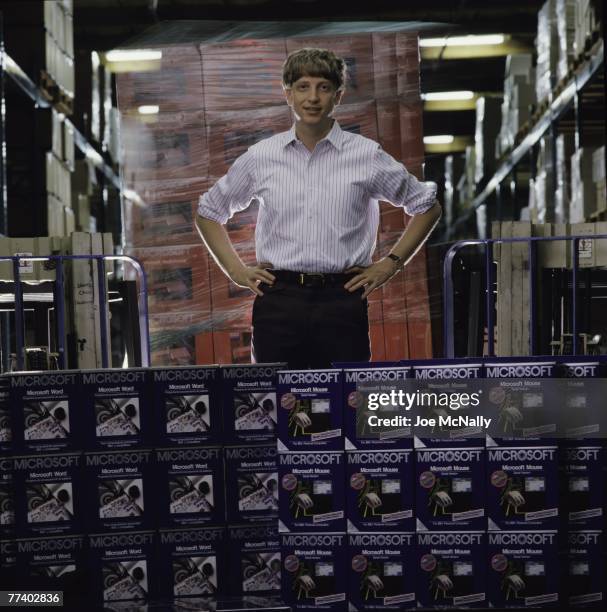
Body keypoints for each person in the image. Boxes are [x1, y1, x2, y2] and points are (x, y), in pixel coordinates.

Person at [196, 47, 441, 369]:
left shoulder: (366, 156)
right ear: (288, 94)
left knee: (347, 401)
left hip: (341, 300)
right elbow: (208, 212)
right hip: (279, 299)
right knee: (277, 405)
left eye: (323, 87)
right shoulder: (261, 157)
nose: (313, 97)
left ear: (338, 96)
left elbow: (427, 206)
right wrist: (235, 271)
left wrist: (391, 263)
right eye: (303, 87)